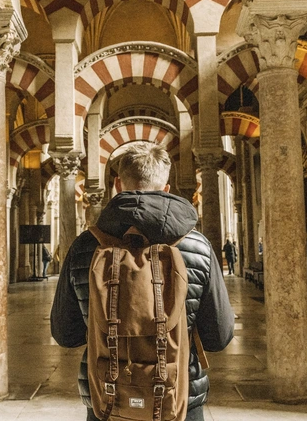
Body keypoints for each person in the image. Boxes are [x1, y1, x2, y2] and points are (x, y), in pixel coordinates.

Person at [51, 142, 234, 421]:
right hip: (178, 397)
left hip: (108, 398)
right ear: (167, 189)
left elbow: (66, 334)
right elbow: (218, 337)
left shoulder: (85, 246)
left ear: (116, 185)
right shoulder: (198, 246)